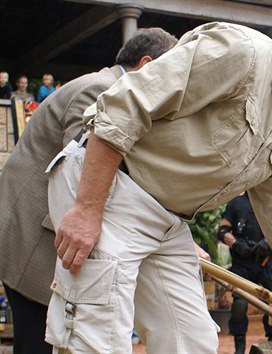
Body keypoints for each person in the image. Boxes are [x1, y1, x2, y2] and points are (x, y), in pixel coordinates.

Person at [48, 4, 272, 353]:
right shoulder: (242, 53)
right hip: (111, 186)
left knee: (191, 341)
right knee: (98, 339)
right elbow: (120, 107)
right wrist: (86, 208)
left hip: (166, 219)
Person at [0, 27, 178, 354]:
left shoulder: (104, 86)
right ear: (148, 63)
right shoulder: (102, 89)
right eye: (171, 72)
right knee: (36, 341)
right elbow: (84, 169)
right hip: (35, 239)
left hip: (43, 234)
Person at [218, 192, 272, 353]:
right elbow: (222, 231)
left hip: (266, 263)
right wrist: (236, 244)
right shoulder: (236, 203)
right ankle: (239, 345)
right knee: (240, 303)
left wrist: (268, 242)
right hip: (242, 263)